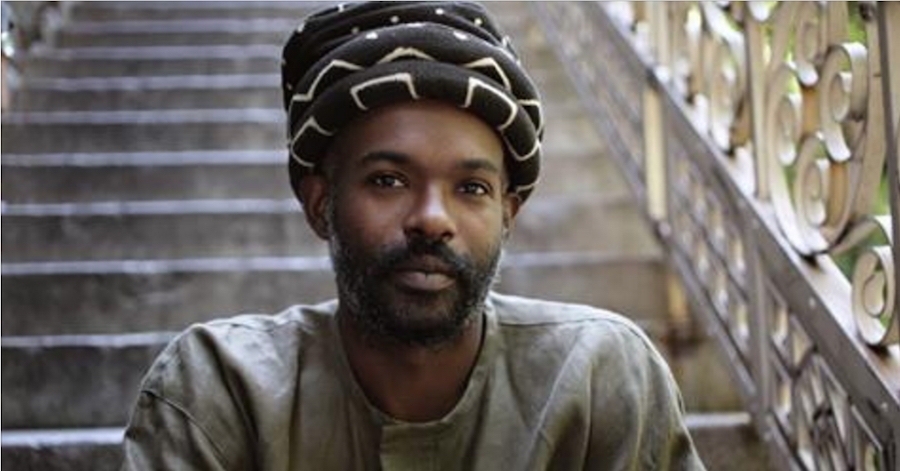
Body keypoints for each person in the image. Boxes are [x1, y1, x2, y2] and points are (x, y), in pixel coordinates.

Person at [121, 2, 706, 470]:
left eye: (471, 188)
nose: (431, 218)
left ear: (508, 213)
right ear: (321, 203)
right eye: (388, 180)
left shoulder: (600, 378)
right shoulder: (223, 390)